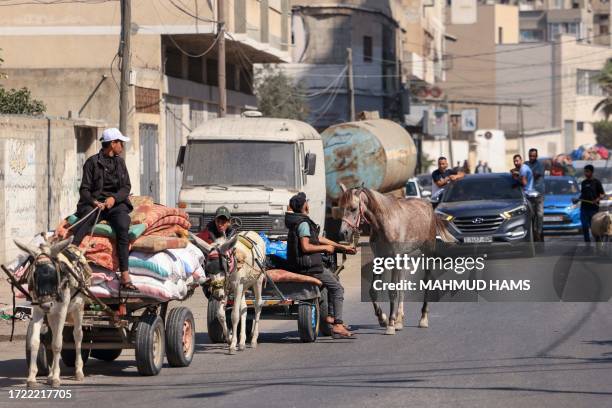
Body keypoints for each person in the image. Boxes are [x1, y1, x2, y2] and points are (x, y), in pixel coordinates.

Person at [285, 192, 356, 339]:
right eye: (306, 202)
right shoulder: (303, 223)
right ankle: (338, 324)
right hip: (309, 267)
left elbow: (318, 238)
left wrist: (341, 247)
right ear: (304, 205)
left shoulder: (299, 221)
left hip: (306, 264)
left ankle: (330, 316)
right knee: (337, 288)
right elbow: (306, 247)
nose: (308, 204)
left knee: (333, 281)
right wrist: (324, 249)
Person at [72, 128, 136, 291]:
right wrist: (94, 202)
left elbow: (126, 187)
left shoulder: (120, 162)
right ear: (112, 144)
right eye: (120, 142)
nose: (122, 145)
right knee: (83, 224)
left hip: (116, 205)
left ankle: (125, 274)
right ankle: (70, 260)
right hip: (95, 206)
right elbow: (84, 189)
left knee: (123, 226)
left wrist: (113, 199)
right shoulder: (92, 162)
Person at [577, 165, 605, 243]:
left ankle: (598, 243)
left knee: (594, 228)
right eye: (585, 171)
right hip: (584, 208)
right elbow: (582, 194)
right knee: (585, 226)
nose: (585, 173)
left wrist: (597, 200)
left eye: (587, 171)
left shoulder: (597, 182)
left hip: (593, 209)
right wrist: (577, 200)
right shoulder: (583, 183)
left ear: (591, 172)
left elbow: (602, 194)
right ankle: (587, 244)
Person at [526, 148, 545, 242]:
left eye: (534, 156)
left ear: (536, 156)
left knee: (540, 214)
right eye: (530, 156)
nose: (532, 157)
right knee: (530, 216)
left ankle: (539, 232)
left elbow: (535, 175)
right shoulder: (525, 164)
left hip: (538, 194)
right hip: (528, 195)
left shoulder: (540, 165)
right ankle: (532, 233)